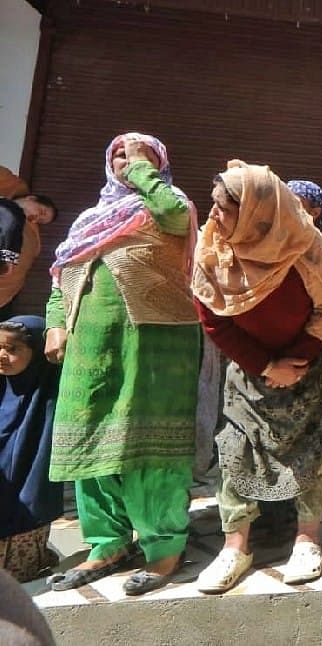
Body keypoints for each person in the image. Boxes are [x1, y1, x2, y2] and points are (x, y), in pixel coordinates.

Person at [45, 133, 200, 596]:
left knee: (149, 447)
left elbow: (173, 215)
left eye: (139, 152)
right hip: (90, 347)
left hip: (155, 343)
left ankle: (164, 545)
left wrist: (140, 172)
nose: (125, 158)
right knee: (91, 442)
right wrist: (56, 323)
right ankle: (107, 542)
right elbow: (63, 273)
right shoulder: (91, 219)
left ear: (159, 163)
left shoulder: (171, 207)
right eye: (117, 152)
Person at [191, 161, 322, 593]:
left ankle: (308, 540)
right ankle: (234, 546)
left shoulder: (306, 246)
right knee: (236, 449)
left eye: (224, 209)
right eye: (213, 206)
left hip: (309, 367)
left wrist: (294, 363)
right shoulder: (212, 249)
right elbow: (213, 320)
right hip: (249, 369)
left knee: (313, 453)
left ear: (255, 213)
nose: (213, 218)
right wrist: (265, 366)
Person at [0, 317, 62, 582]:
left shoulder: (48, 398)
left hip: (24, 508)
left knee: (15, 576)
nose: (2, 355)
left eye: (13, 350)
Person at [0, 195, 58, 320]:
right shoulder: (13, 211)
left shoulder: (23, 225)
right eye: (41, 212)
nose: (36, 218)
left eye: (40, 221)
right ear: (31, 198)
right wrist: (8, 261)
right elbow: (9, 232)